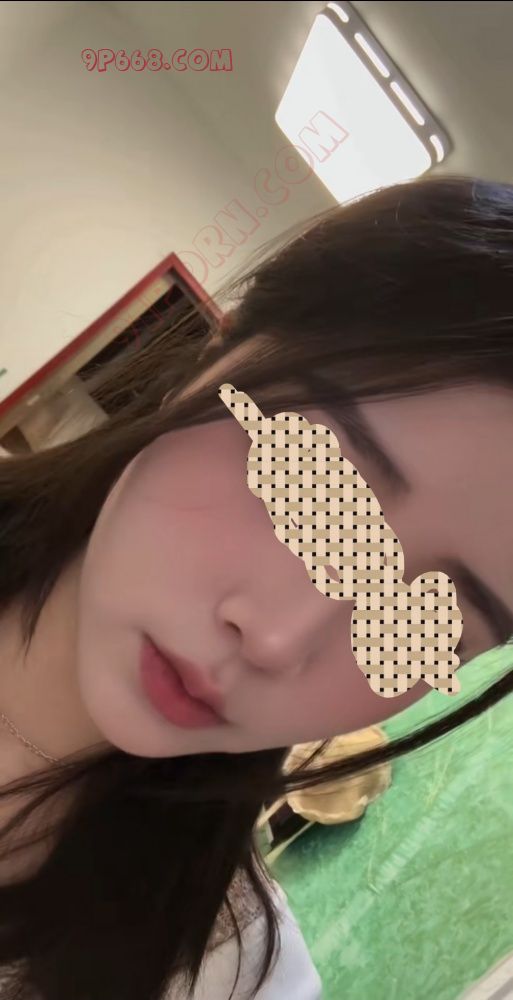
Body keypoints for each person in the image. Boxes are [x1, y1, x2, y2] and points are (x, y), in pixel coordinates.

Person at [0, 173, 511, 1000]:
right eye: (310, 482)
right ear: (216, 355)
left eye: (422, 624)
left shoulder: (226, 975)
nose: (277, 637)